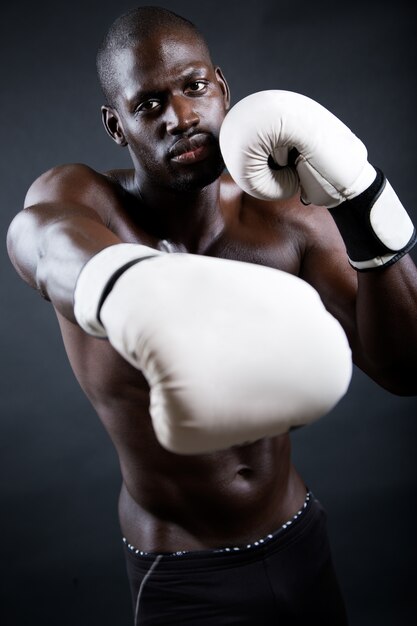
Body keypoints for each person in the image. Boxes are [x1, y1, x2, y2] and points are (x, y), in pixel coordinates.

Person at [6, 5, 417, 625]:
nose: (182, 117)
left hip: (299, 537)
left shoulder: (286, 220)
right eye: (148, 105)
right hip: (183, 574)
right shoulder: (90, 207)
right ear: (115, 126)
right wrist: (124, 284)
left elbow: (406, 367)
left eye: (195, 87)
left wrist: (364, 202)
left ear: (222, 86)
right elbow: (39, 240)